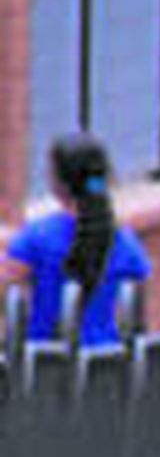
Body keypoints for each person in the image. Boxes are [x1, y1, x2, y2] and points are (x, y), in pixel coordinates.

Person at [3, 132, 151, 347]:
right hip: (106, 363)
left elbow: (6, 284)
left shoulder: (37, 238)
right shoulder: (128, 245)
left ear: (58, 184)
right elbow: (134, 313)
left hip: (44, 363)